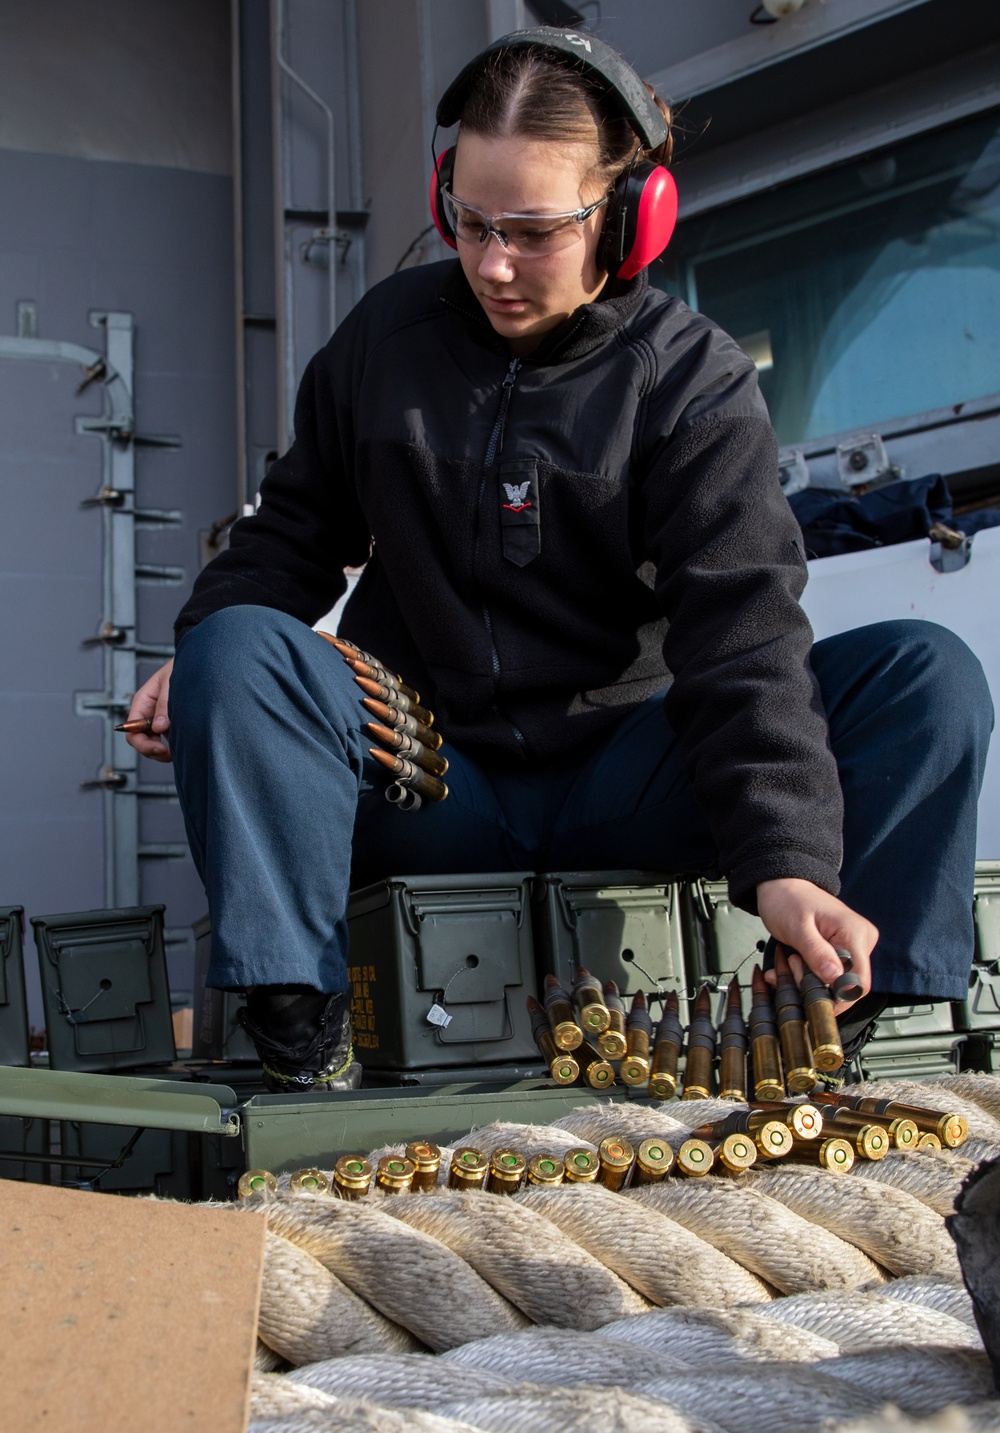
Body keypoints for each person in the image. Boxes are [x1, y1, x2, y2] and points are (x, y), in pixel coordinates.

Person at [124, 27, 992, 1092]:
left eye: (533, 232)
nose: (492, 264)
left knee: (926, 673)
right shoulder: (382, 342)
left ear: (627, 220)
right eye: (474, 222)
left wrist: (787, 866)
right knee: (234, 643)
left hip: (631, 779)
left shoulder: (691, 385)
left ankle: (845, 1027)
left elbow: (745, 639)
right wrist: (211, 667)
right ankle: (299, 1038)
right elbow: (291, 535)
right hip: (433, 786)